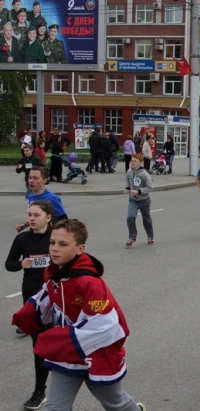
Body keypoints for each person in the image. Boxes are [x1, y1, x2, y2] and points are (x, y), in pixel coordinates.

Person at [11, 219, 146, 411]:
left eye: (63, 244)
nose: (55, 249)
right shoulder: (54, 274)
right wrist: (27, 315)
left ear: (80, 249)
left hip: (97, 354)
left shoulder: (90, 283)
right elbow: (46, 295)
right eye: (52, 243)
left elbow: (106, 326)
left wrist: (59, 340)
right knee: (55, 408)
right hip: (68, 355)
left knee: (116, 404)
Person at [5, 201, 53, 409]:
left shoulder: (57, 238)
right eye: (29, 215)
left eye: (36, 215)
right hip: (32, 294)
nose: (32, 219)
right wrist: (21, 264)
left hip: (56, 294)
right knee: (39, 343)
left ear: (48, 217)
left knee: (59, 341)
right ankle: (40, 391)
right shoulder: (22, 238)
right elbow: (9, 264)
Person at [14, 167, 68, 234]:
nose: (31, 181)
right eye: (30, 178)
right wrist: (24, 225)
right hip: (34, 233)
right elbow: (35, 216)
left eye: (35, 178)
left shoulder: (52, 198)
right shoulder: (30, 195)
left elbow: (62, 220)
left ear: (44, 181)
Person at [124, 154, 154, 246]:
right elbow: (128, 180)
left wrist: (139, 191)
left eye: (135, 161)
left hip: (144, 199)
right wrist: (127, 188)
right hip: (133, 199)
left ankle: (150, 236)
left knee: (146, 219)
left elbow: (150, 187)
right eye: (132, 161)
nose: (132, 163)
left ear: (139, 163)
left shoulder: (144, 174)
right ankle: (132, 237)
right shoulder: (129, 171)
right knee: (130, 217)